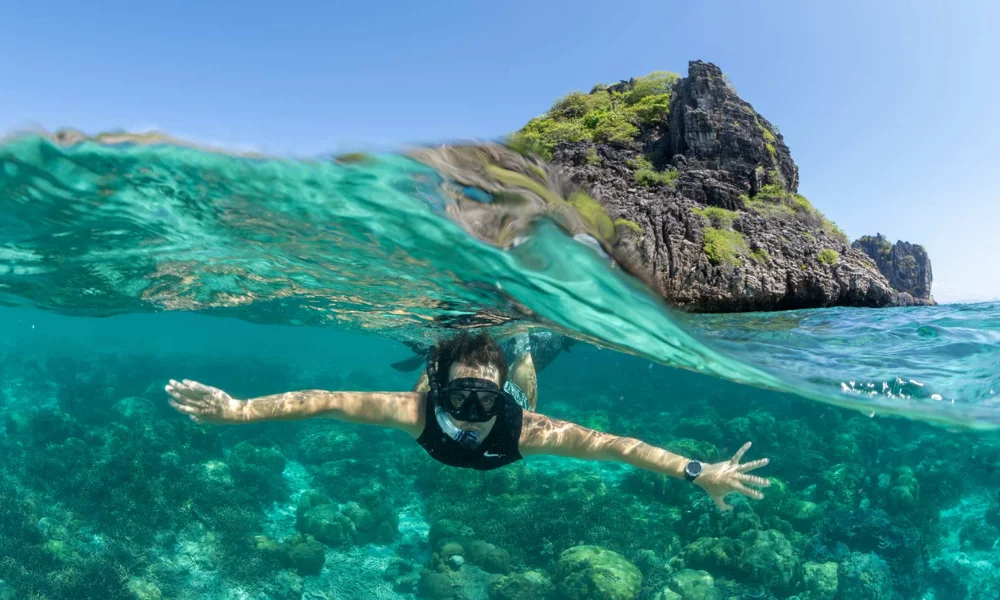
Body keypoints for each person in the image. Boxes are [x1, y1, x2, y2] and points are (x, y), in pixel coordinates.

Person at [166, 332, 770, 511]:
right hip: (433, 383)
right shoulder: (417, 409)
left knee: (528, 382)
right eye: (460, 399)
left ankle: (524, 347)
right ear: (442, 391)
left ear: (496, 395)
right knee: (426, 385)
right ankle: (447, 352)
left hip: (515, 395)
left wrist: (697, 471)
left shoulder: (521, 426)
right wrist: (240, 411)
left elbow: (619, 447)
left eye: (485, 398)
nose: (473, 415)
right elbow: (323, 399)